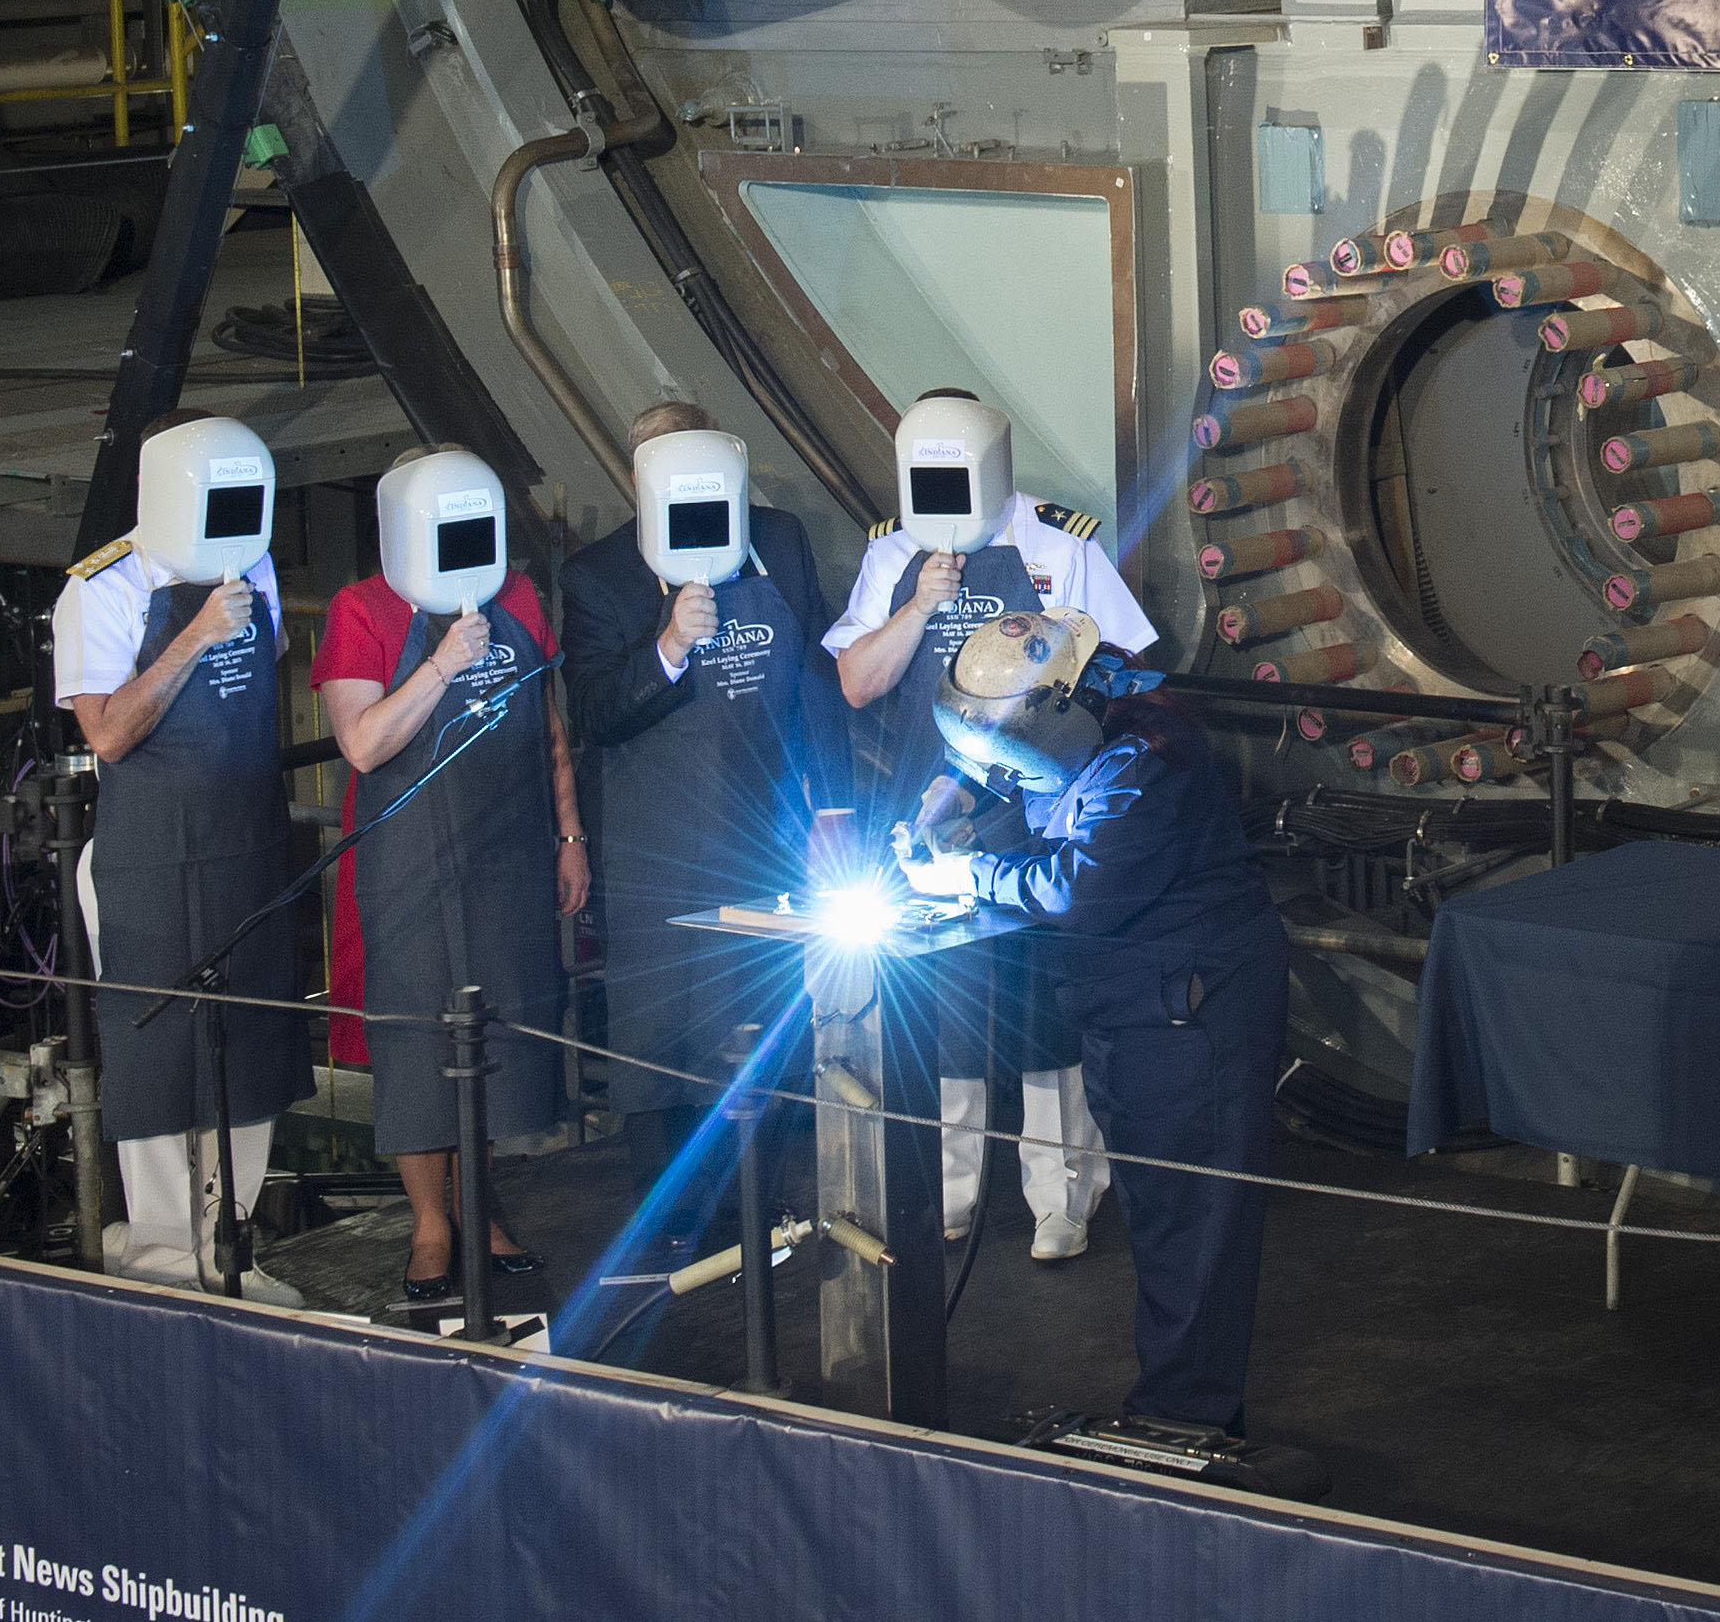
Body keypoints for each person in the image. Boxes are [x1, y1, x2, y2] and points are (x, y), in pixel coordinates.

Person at [901, 609, 1301, 1473]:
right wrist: (950, 795)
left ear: (1064, 702)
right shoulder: (1084, 724)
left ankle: (1183, 1418)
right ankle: (1178, 1405)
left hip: (1192, 1014)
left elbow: (1074, 888)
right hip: (1137, 1006)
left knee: (1191, 1226)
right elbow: (998, 761)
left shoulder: (1151, 758)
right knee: (1164, 1218)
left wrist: (960, 870)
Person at [826, 387, 1143, 1257]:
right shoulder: (891, 551)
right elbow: (856, 682)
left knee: (1046, 1012)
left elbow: (1120, 665)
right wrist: (922, 601)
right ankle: (948, 1193)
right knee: (945, 1009)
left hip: (1038, 812)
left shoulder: (1056, 541)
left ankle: (1062, 1197)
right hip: (924, 812)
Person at [557, 400, 831, 1253]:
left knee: (762, 1015)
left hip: (769, 826)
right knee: (657, 1024)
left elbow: (817, 682)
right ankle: (671, 1221)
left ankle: (763, 1205)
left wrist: (834, 810)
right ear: (635, 476)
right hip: (656, 835)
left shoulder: (778, 538)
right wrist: (669, 644)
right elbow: (596, 713)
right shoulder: (597, 576)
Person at [314, 445, 583, 1305]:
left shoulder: (518, 594)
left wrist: (568, 831)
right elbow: (364, 742)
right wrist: (439, 665)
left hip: (506, 843)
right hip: (409, 858)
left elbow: (547, 723)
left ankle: (479, 1203)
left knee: (495, 1035)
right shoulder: (360, 610)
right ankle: (430, 1221)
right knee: (417, 1039)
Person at [55, 407, 307, 1302]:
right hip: (148, 851)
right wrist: (196, 634)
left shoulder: (256, 560)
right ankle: (162, 1251)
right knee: (155, 1041)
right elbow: (109, 733)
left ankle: (228, 1242)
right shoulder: (103, 587)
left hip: (244, 835)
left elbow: (270, 662)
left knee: (249, 1036)